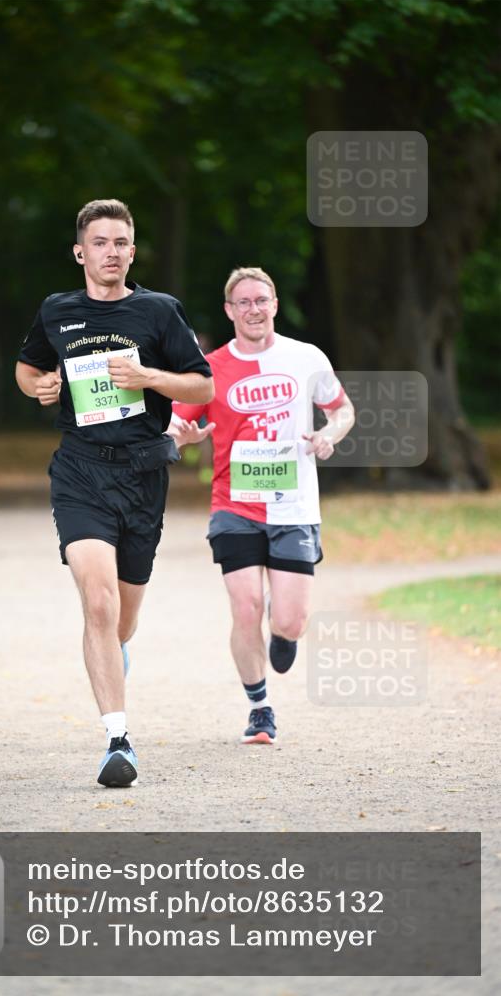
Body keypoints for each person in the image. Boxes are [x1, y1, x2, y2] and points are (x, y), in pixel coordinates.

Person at [15, 199, 213, 786]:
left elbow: (201, 384)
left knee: (121, 622)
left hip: (143, 476)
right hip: (79, 472)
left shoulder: (158, 311)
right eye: (100, 242)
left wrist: (150, 378)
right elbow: (26, 368)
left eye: (121, 242)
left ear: (132, 250)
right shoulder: (58, 311)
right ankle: (117, 741)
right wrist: (41, 386)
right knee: (97, 604)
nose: (111, 252)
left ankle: (113, 658)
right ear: (81, 252)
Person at [168, 267, 354, 745]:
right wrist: (183, 438)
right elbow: (174, 428)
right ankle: (259, 708)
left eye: (262, 300)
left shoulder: (306, 357)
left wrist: (328, 436)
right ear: (230, 310)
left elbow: (342, 410)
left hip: (295, 507)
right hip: (233, 505)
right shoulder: (207, 369)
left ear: (274, 304)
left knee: (290, 620)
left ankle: (284, 631)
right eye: (243, 302)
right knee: (245, 605)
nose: (254, 309)